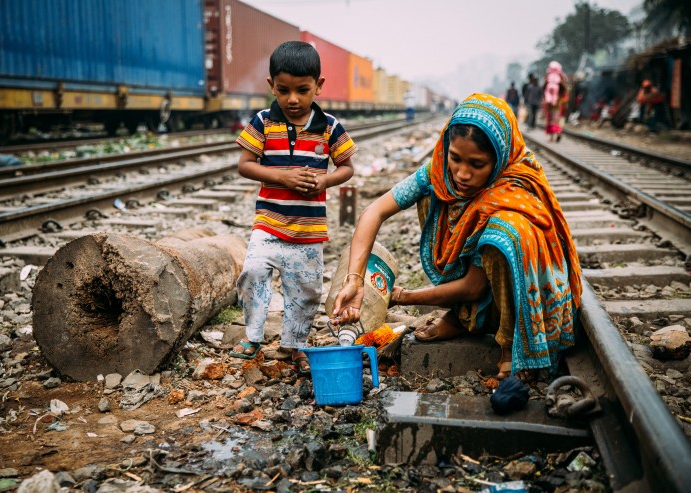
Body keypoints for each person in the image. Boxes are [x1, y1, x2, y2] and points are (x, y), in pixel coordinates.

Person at [331, 94, 582, 379]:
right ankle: (466, 317)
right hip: (474, 286)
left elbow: (474, 287)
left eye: (477, 165)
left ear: (498, 157)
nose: (462, 174)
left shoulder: (515, 185)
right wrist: (355, 280)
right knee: (432, 195)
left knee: (505, 231)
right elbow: (373, 212)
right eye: (455, 159)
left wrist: (402, 296)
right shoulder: (439, 171)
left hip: (519, 298)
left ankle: (510, 344)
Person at [230, 41, 357, 374]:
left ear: (319, 86)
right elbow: (245, 164)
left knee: (306, 291)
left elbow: (346, 167)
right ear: (271, 85)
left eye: (303, 90)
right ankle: (253, 335)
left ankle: (293, 345)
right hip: (269, 224)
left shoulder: (330, 126)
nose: (293, 99)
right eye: (283, 90)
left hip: (308, 231)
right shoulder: (262, 122)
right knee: (253, 272)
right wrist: (282, 177)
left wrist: (326, 181)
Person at [542, 61, 568, 141]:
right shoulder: (561, 79)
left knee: (550, 119)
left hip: (549, 103)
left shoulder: (548, 78)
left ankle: (551, 137)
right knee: (556, 119)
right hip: (558, 103)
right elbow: (565, 89)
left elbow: (543, 88)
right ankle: (558, 133)